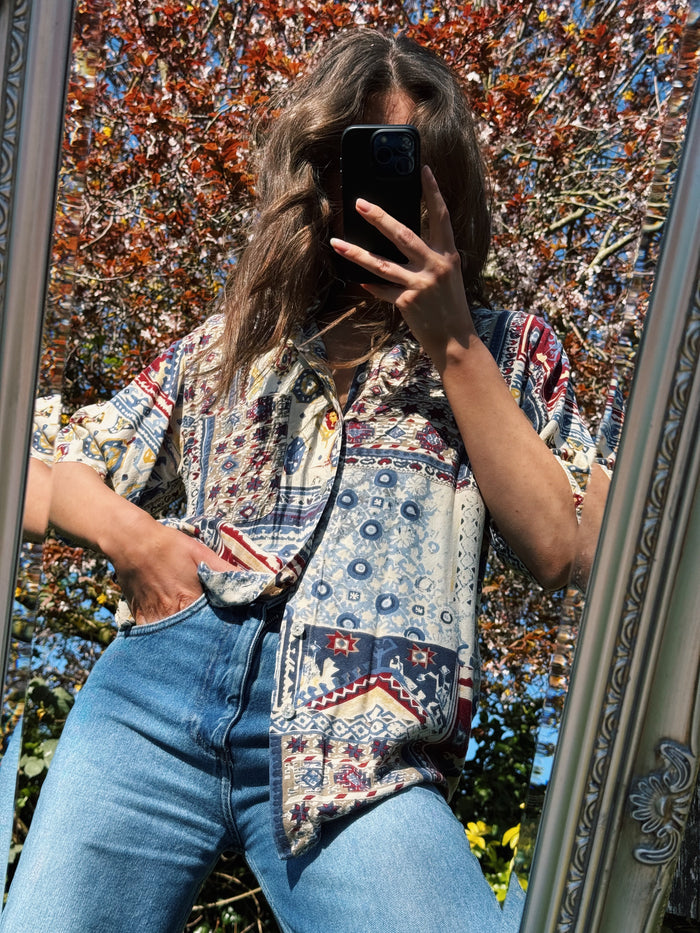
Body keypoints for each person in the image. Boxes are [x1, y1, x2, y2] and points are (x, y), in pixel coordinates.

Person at [2, 28, 606, 933]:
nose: (382, 199)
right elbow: (37, 469)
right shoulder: (230, 346)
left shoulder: (510, 351)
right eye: (359, 163)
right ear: (317, 177)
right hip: (154, 700)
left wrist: (451, 340)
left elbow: (570, 548)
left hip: (368, 743)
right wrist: (137, 540)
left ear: (448, 185)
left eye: (410, 167)